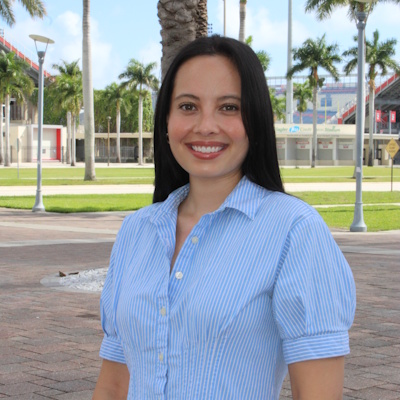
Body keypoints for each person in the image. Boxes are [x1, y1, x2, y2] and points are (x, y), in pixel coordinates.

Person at [92, 35, 356, 400]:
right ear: (166, 120)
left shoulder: (294, 231)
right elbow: (112, 386)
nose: (206, 126)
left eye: (229, 107)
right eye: (188, 106)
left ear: (255, 119)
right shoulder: (136, 231)